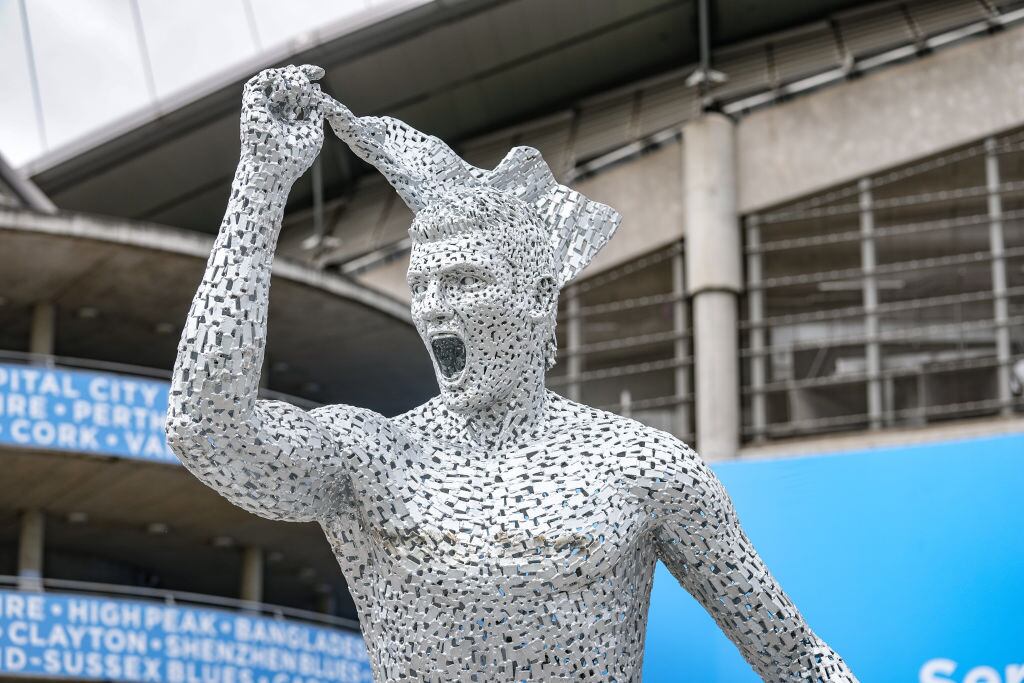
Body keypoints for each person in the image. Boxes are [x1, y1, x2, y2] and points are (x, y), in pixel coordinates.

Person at [166, 64, 858, 683]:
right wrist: (260, 184)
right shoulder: (372, 458)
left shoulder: (642, 468)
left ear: (537, 297)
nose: (435, 306)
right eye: (423, 285)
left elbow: (796, 658)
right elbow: (206, 431)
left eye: (465, 280)